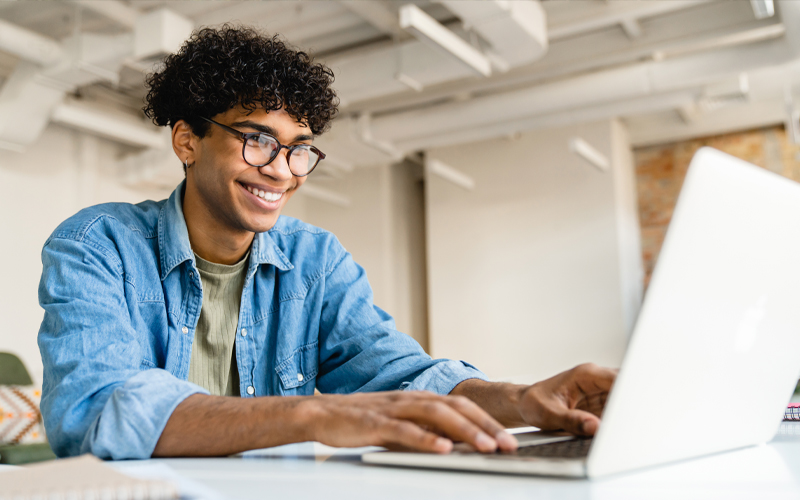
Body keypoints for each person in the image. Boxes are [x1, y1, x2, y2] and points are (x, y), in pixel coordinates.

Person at [37, 25, 616, 460]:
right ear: (187, 141)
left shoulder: (315, 259)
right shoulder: (98, 245)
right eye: (257, 139)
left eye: (298, 149)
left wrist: (523, 400)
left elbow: (399, 376)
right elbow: (95, 411)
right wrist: (314, 414)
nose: (281, 170)